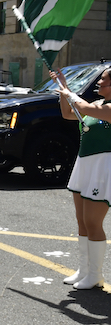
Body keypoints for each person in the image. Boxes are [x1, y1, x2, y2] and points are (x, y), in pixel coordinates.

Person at [51, 68, 111, 290]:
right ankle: (84, 270)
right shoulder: (98, 105)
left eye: (103, 79)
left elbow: (82, 107)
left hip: (103, 167)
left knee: (93, 222)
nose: (99, 82)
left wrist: (70, 93)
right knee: (82, 221)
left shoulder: (107, 108)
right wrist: (62, 88)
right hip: (84, 164)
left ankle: (95, 274)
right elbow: (69, 113)